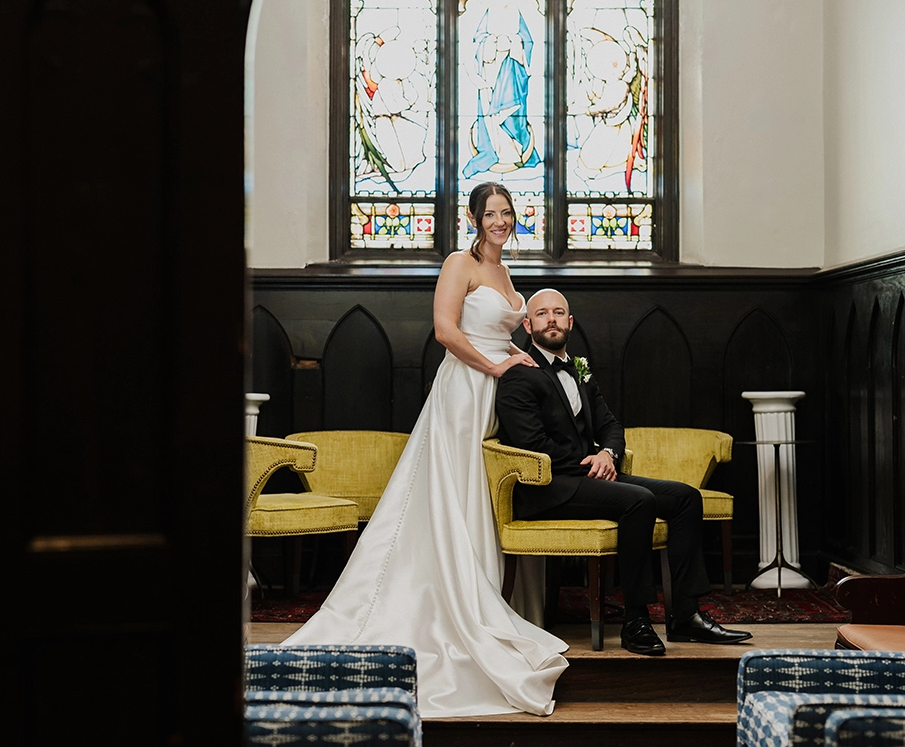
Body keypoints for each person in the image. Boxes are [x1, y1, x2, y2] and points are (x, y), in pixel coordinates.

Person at [281, 183, 569, 717]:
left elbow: (501, 332)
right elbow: (446, 331)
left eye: (507, 213)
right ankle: (445, 602)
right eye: (491, 214)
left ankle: (481, 591)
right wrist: (498, 364)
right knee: (452, 495)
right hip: (463, 391)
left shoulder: (507, 275)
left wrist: (518, 359)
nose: (501, 221)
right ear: (474, 218)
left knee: (480, 496)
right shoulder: (460, 263)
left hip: (496, 394)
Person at [494, 289, 753, 655]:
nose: (550, 319)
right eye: (541, 314)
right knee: (639, 501)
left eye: (558, 313)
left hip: (590, 478)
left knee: (684, 498)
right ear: (527, 324)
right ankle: (636, 621)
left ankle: (685, 616)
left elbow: (611, 425)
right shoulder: (519, 377)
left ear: (570, 322)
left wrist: (608, 454)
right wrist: (590, 463)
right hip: (550, 488)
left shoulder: (580, 370)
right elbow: (532, 445)